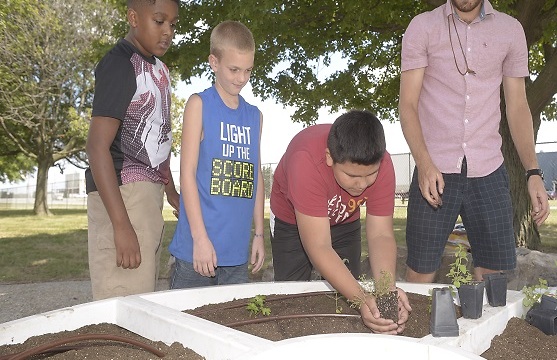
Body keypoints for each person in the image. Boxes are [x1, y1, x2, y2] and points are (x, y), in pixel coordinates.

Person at [398, 0, 550, 283]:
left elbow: (517, 106)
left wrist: (533, 172)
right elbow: (407, 104)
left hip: (489, 170)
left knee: (494, 278)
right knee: (419, 274)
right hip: (434, 169)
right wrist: (424, 162)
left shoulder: (511, 30)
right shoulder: (423, 26)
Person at [269, 109, 412, 334]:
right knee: (291, 295)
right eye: (352, 176)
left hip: (344, 218)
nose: (362, 185)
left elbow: (381, 235)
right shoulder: (305, 160)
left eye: (369, 175)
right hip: (292, 222)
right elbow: (319, 246)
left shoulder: (382, 164)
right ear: (329, 157)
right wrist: (363, 298)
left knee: (347, 286)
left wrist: (386, 292)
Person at [85, 0, 180, 300]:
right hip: (122, 195)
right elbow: (97, 147)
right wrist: (122, 226)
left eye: (173, 24)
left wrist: (171, 191)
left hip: (146, 197)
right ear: (133, 18)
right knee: (121, 306)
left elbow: (158, 140)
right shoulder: (120, 64)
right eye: (159, 21)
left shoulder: (160, 69)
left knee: (142, 298)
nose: (168, 31)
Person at [168, 20, 265, 289]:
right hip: (197, 252)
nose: (241, 78)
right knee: (181, 328)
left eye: (248, 70)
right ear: (214, 62)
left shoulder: (254, 116)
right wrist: (200, 239)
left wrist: (258, 234)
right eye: (234, 69)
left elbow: (255, 176)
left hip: (236, 255)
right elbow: (186, 174)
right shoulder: (199, 105)